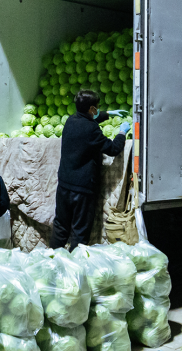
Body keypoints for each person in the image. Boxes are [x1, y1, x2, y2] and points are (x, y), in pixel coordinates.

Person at [49, 90, 130, 250]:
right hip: (82, 190)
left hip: (64, 185)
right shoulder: (92, 130)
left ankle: (53, 262)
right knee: (80, 233)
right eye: (97, 108)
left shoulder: (70, 121)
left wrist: (108, 114)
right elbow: (112, 149)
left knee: (60, 227)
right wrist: (122, 133)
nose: (98, 110)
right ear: (92, 109)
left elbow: (87, 120)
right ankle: (75, 269)